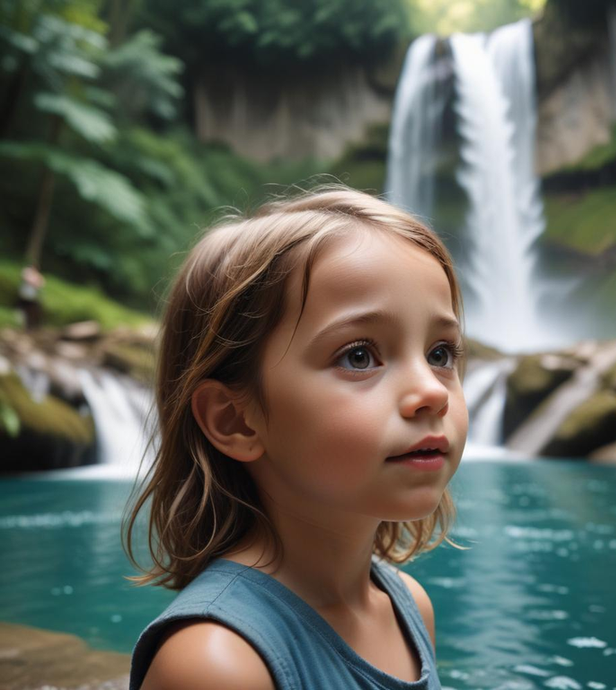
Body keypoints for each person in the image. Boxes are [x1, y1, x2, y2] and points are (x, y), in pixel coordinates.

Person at [124, 184, 469, 689]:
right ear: (235, 420)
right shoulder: (218, 664)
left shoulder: (408, 606)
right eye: (358, 356)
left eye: (441, 353)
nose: (430, 392)